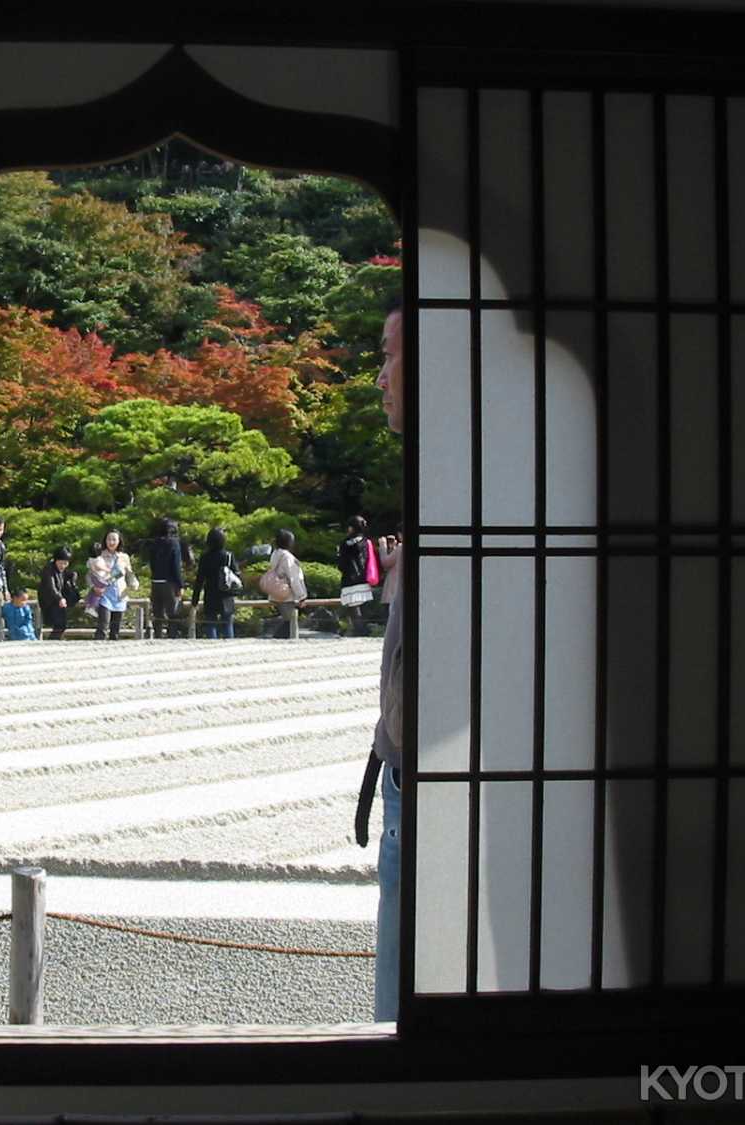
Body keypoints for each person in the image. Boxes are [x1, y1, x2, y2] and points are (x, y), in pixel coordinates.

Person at [356, 304, 406, 1022]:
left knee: (408, 1017)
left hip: (438, 777)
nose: (380, 376)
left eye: (390, 353)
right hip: (405, 764)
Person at [189, 526, 239, 639]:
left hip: (210, 593)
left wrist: (195, 600)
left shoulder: (205, 557)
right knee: (227, 623)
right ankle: (229, 647)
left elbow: (199, 579)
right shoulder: (228, 556)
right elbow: (236, 575)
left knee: (211, 623)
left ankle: (212, 645)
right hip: (226, 594)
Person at [142, 516, 186, 638]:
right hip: (169, 582)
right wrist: (180, 584)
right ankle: (171, 636)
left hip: (155, 581)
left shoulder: (154, 543)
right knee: (172, 613)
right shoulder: (174, 543)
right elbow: (176, 566)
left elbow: (152, 563)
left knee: (158, 613)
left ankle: (158, 635)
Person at [89, 529, 137, 640]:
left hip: (120, 595)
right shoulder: (99, 556)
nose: (111, 542)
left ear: (119, 541)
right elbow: (90, 575)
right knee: (103, 625)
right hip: (104, 594)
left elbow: (129, 574)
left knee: (115, 629)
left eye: (114, 539)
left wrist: (134, 583)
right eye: (109, 539)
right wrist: (93, 587)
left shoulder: (124, 557)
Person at [262, 528, 308, 639]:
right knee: (290, 621)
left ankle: (278, 638)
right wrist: (302, 596)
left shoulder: (275, 555)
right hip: (287, 594)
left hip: (276, 592)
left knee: (287, 620)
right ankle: (278, 639)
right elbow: (294, 578)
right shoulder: (287, 557)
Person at [336, 515, 374, 637]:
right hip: (363, 578)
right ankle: (364, 630)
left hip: (349, 579)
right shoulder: (365, 542)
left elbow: (341, 564)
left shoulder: (345, 543)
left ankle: (359, 630)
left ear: (351, 528)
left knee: (353, 606)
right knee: (362, 606)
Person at [38, 546, 79, 640]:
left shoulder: (64, 570)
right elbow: (50, 586)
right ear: (56, 560)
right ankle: (51, 642)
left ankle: (53, 641)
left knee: (62, 625)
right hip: (49, 600)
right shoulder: (48, 569)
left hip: (58, 600)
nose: (63, 566)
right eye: (61, 563)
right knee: (59, 624)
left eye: (65, 563)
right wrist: (59, 598)